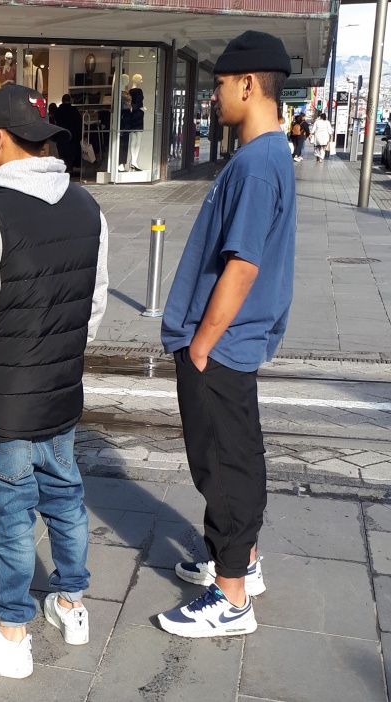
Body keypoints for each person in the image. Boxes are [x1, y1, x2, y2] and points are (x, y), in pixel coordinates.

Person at [0, 84, 109, 679]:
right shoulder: (87, 207)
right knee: (65, 499)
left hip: (1, 402)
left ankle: (11, 635)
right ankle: (71, 605)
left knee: (11, 518)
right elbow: (93, 306)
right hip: (59, 390)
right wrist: (60, 357)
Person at [158, 30, 296, 638]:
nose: (212, 96)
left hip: (221, 344)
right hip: (232, 343)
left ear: (247, 84)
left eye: (217, 85)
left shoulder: (257, 164)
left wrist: (201, 345)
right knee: (237, 454)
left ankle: (231, 595)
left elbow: (242, 266)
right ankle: (242, 562)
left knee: (221, 466)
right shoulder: (268, 155)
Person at [55, 93, 82, 172]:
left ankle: (64, 169)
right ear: (70, 100)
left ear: (62, 100)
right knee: (71, 155)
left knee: (62, 155)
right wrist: (80, 136)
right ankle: (69, 169)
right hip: (72, 137)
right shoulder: (74, 110)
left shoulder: (58, 111)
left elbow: (55, 123)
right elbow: (79, 124)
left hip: (61, 137)